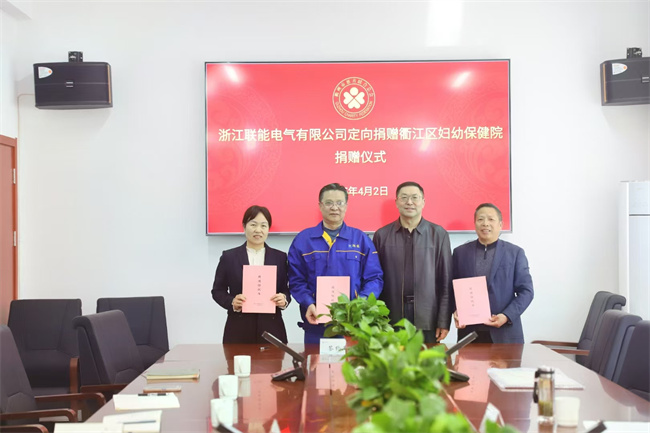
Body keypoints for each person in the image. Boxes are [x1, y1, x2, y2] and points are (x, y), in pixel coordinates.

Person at [288, 183, 383, 344]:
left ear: (346, 206)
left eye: (339, 203)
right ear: (320, 206)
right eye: (329, 203)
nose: (334, 207)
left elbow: (374, 278)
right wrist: (308, 302)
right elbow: (296, 280)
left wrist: (361, 303)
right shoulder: (303, 240)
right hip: (316, 322)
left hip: (353, 324)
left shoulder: (360, 239)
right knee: (315, 360)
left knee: (352, 360)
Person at [373, 181, 453, 343]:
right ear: (397, 202)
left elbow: (445, 281)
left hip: (427, 317)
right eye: (404, 198)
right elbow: (376, 279)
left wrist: (443, 320)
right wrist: (377, 319)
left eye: (415, 198)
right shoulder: (382, 235)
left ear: (423, 202)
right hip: (391, 317)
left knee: (426, 358)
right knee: (392, 359)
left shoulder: (438, 234)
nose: (409, 202)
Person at [452, 203, 534, 343]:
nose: (485, 223)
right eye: (480, 219)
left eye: (491, 219)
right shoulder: (460, 253)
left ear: (500, 224)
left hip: (505, 334)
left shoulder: (515, 253)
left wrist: (506, 316)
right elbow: (451, 288)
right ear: (474, 223)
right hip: (470, 333)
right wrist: (456, 310)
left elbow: (526, 291)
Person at [211, 205, 291, 343]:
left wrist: (284, 299)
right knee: (237, 359)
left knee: (273, 358)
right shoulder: (229, 257)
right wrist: (232, 302)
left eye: (263, 225)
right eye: (253, 224)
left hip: (272, 328)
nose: (258, 230)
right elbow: (218, 291)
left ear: (268, 229)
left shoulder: (280, 257)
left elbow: (286, 289)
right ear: (244, 226)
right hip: (238, 329)